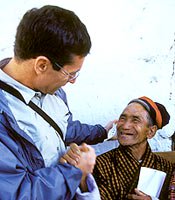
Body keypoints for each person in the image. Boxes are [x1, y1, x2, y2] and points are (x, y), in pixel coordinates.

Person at [0, 5, 114, 199]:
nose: (73, 81)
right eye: (70, 74)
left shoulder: (55, 93)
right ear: (42, 65)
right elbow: (19, 193)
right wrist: (73, 171)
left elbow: (63, 128)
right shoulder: (4, 116)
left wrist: (102, 132)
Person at [93, 96, 174, 200]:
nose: (125, 126)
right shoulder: (100, 165)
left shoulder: (167, 168)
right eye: (123, 118)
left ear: (151, 132)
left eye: (135, 120)